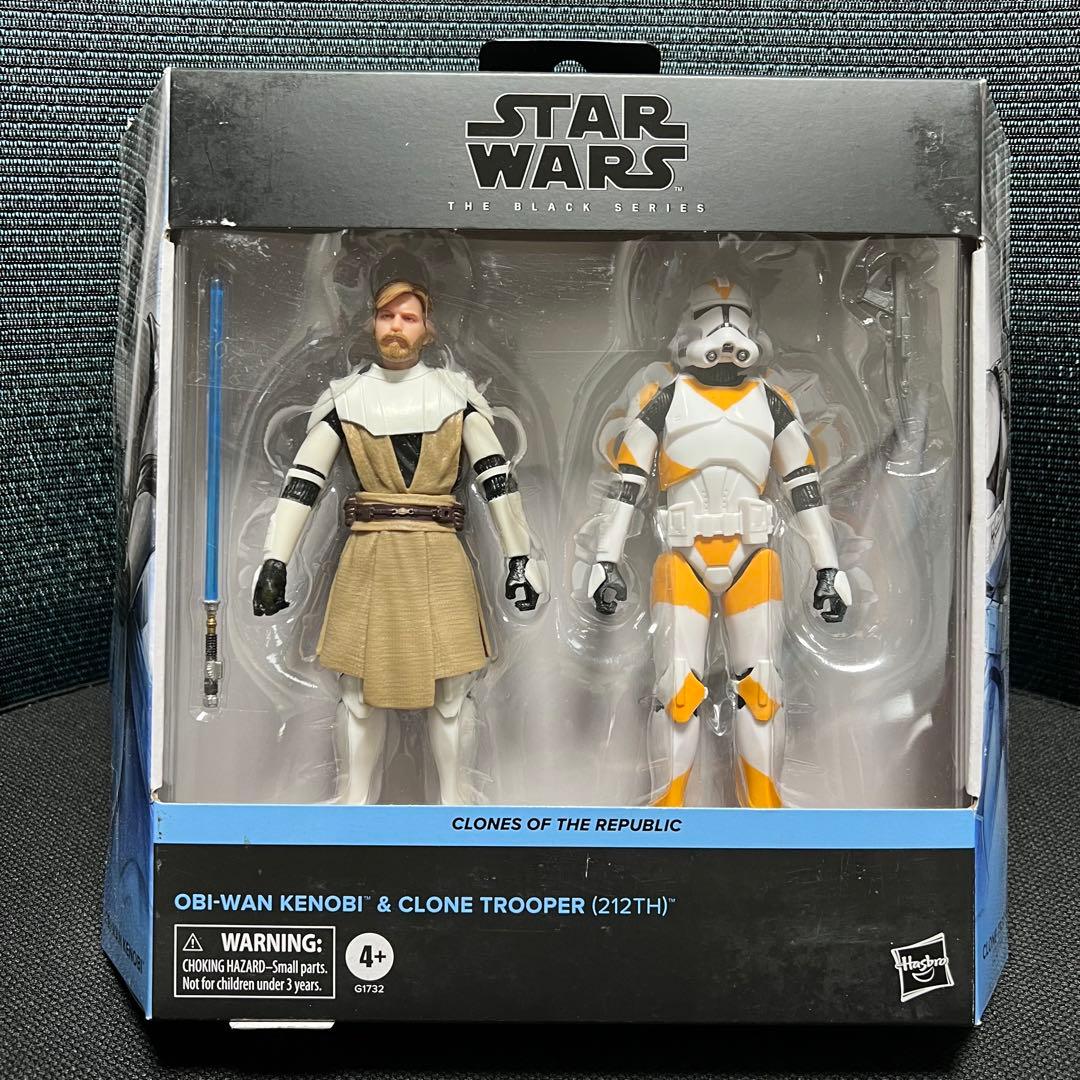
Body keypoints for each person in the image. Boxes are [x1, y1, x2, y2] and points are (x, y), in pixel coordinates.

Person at [253, 260, 545, 804]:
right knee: (358, 693)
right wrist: (276, 560)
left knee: (452, 694)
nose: (396, 327)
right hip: (369, 554)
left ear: (428, 328)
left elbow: (497, 481)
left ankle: (455, 800)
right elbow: (303, 482)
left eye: (408, 317)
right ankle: (355, 802)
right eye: (386, 315)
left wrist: (519, 560)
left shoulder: (456, 396)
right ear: (370, 322)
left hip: (441, 554)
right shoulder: (345, 398)